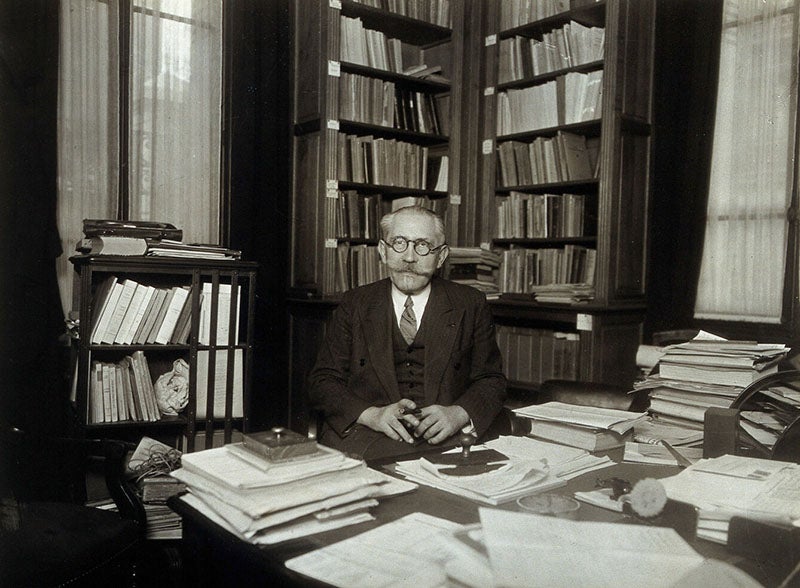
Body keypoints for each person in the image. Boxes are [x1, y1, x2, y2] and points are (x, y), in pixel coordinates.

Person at [308, 205, 507, 460]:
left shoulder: (470, 303)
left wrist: (458, 414)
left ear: (441, 256)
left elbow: (492, 380)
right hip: (370, 436)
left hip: (448, 439)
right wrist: (373, 415)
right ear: (383, 251)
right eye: (399, 243)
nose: (409, 257)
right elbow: (322, 381)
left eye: (423, 245)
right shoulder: (355, 304)